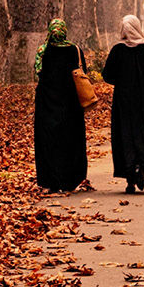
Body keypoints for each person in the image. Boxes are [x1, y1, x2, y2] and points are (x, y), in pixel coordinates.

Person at [103, 14, 144, 194]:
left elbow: (107, 75)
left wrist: (123, 79)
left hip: (123, 102)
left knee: (126, 135)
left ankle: (130, 175)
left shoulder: (117, 50)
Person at [33, 19, 89, 194]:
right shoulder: (75, 50)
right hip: (71, 104)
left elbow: (38, 72)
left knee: (48, 140)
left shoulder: (43, 51)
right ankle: (70, 180)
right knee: (70, 139)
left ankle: (49, 181)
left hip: (46, 104)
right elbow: (83, 72)